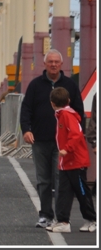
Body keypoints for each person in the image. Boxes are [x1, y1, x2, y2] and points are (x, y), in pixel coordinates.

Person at [20, 49, 84, 228]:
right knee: (43, 180)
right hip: (40, 140)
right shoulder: (35, 85)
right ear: (45, 64)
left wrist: (77, 139)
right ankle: (45, 215)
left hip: (62, 144)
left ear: (61, 64)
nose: (54, 64)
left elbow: (79, 112)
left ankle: (61, 218)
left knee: (60, 180)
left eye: (57, 61)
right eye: (50, 62)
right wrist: (26, 130)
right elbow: (26, 109)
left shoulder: (70, 85)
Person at [47, 87, 97, 233]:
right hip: (67, 162)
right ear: (68, 101)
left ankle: (91, 219)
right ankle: (63, 221)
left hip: (75, 161)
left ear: (52, 103)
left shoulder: (66, 116)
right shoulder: (63, 115)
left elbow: (75, 135)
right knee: (63, 191)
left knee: (82, 192)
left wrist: (66, 149)